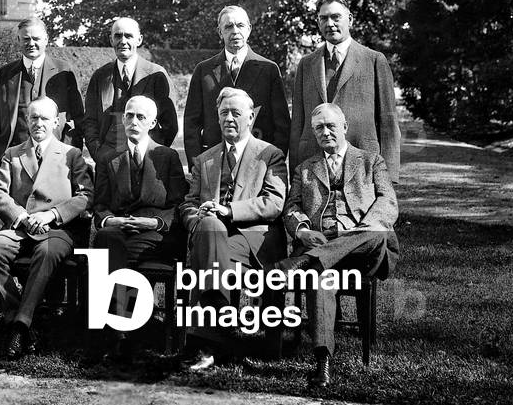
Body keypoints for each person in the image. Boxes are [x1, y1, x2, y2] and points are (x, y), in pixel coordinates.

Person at [278, 103, 399, 387]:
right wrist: (304, 231)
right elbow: (291, 207)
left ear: (344, 127)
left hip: (365, 246)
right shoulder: (305, 169)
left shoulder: (372, 161)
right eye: (319, 128)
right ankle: (323, 362)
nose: (326, 132)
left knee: (379, 233)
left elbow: (388, 202)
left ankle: (307, 260)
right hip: (322, 243)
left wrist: (361, 229)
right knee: (321, 276)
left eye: (331, 125)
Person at [178, 87, 287, 370]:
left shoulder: (270, 155)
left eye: (236, 113)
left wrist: (229, 210)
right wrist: (197, 216)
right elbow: (188, 204)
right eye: (224, 112)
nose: (229, 118)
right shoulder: (205, 159)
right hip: (213, 237)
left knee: (208, 246)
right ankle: (216, 335)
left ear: (250, 117)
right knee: (209, 227)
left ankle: (205, 342)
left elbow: (274, 203)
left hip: (253, 239)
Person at [0, 97, 94, 359]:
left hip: (57, 230)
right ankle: (20, 316)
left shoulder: (71, 154)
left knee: (47, 251)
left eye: (44, 118)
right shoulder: (13, 153)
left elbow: (86, 195)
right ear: (26, 121)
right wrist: (20, 216)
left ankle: (19, 327)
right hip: (21, 227)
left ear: (56, 122)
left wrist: (53, 214)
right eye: (33, 118)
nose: (38, 123)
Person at [91, 95, 188, 358]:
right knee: (107, 239)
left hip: (156, 234)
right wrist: (111, 219)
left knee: (109, 253)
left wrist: (155, 222)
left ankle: (119, 330)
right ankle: (127, 329)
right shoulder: (108, 158)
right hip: (119, 230)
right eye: (129, 116)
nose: (134, 122)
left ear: (153, 123)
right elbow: (99, 204)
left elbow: (180, 202)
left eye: (141, 117)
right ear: (122, 119)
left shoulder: (166, 156)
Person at [289, 0, 401, 181]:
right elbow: (297, 122)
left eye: (336, 17)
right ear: (318, 23)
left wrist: (388, 176)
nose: (330, 23)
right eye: (323, 18)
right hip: (313, 164)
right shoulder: (306, 64)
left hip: (362, 163)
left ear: (349, 20)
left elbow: (388, 122)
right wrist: (295, 173)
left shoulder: (374, 60)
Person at [184, 5, 290, 166]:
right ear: (220, 32)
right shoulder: (203, 70)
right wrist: (196, 165)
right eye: (228, 27)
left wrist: (274, 163)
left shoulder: (268, 69)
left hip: (257, 161)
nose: (235, 31)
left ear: (249, 29)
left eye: (240, 25)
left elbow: (281, 125)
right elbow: (191, 124)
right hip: (213, 163)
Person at [0, 17, 84, 167]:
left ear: (46, 39)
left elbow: (78, 117)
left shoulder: (64, 71)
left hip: (57, 158)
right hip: (13, 158)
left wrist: (70, 149)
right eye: (26, 39)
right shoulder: (5, 74)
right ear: (18, 40)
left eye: (36, 38)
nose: (31, 43)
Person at [82, 17, 178, 164]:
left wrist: (155, 154)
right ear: (111, 40)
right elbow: (90, 121)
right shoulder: (100, 76)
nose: (123, 41)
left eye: (129, 36)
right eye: (118, 36)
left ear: (139, 40)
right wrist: (98, 153)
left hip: (148, 160)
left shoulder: (156, 75)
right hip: (107, 162)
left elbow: (170, 124)